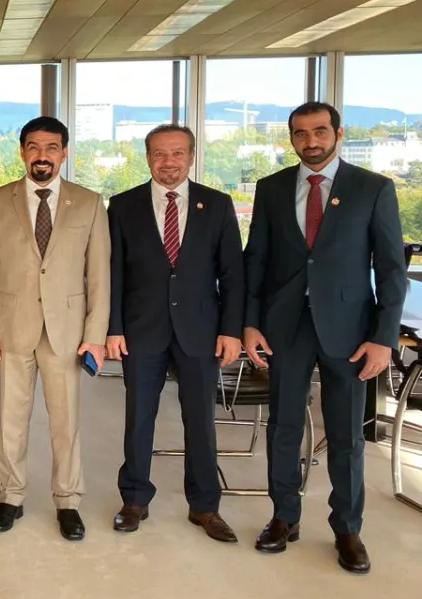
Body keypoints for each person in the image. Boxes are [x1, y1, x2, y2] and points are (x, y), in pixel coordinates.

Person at [244, 101, 406, 574]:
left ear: (338, 133)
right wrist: (250, 323)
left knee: (346, 435)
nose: (310, 141)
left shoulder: (373, 188)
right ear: (291, 138)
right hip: (285, 327)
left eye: (319, 131)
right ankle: (284, 517)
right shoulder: (271, 188)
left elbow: (391, 269)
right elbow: (256, 260)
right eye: (300, 134)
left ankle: (347, 529)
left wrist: (383, 338)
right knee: (283, 426)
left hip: (351, 332)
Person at [0, 116, 108, 541]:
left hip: (67, 333)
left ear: (64, 153)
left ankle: (68, 501)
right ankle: (10, 496)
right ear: (22, 153)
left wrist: (95, 336)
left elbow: (99, 276)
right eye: (34, 146)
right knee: (11, 420)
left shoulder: (89, 203)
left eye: (51, 147)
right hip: (12, 329)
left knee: (66, 423)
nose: (42, 155)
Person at [106, 124, 243, 542]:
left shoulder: (216, 205)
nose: (169, 162)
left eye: (178, 153)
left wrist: (231, 330)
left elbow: (232, 274)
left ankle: (204, 506)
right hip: (140, 329)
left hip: (200, 331)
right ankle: (134, 499)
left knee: (200, 420)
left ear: (192, 156)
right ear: (148, 158)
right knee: (138, 418)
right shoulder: (123, 205)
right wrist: (113, 328)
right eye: (160, 154)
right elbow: (112, 273)